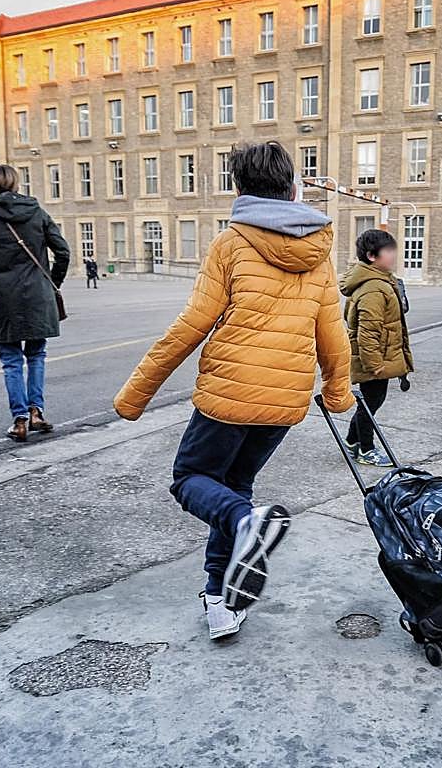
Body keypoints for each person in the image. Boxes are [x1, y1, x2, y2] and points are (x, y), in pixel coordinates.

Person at [114, 140, 353, 641]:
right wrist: (337, 393)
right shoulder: (322, 251)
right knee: (234, 487)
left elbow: (192, 324)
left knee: (191, 480)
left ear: (239, 189)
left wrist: (136, 393)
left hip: (229, 393)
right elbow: (333, 331)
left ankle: (247, 526)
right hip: (284, 401)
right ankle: (221, 600)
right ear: (292, 188)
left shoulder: (231, 242)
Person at [0, 164, 71, 442]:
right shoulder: (36, 211)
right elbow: (63, 251)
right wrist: (53, 283)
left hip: (4, 299)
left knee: (12, 360)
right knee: (37, 355)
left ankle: (20, 420)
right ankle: (37, 410)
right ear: (15, 183)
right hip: (38, 296)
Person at [340, 229, 414, 467]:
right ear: (372, 256)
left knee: (371, 403)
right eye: (389, 251)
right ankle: (366, 449)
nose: (394, 255)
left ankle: (352, 441)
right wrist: (375, 366)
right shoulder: (373, 287)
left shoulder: (381, 281)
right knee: (370, 404)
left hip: (380, 356)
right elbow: (367, 332)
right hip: (374, 359)